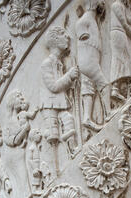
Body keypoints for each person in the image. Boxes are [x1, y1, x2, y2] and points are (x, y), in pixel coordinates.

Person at [39, 26, 79, 156]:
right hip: (50, 105)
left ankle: (72, 152)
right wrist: (69, 76)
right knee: (52, 136)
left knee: (68, 120)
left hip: (60, 103)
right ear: (55, 40)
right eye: (62, 34)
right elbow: (53, 86)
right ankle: (53, 171)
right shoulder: (47, 63)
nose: (67, 36)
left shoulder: (59, 63)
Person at [75, 0, 111, 131]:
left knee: (88, 87)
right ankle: (108, 114)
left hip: (88, 60)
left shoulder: (90, 20)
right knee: (103, 84)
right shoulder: (85, 21)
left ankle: (87, 119)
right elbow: (85, 40)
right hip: (89, 61)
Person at [2, 90, 38, 198]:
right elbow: (12, 141)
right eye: (18, 97)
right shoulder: (9, 121)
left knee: (23, 177)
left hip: (19, 153)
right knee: (21, 179)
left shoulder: (19, 117)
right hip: (13, 156)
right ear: (12, 101)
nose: (21, 99)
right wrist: (25, 129)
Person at [110, 0, 131, 101]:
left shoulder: (120, 6)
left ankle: (124, 87)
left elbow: (127, 19)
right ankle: (122, 87)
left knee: (124, 58)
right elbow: (124, 23)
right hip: (118, 33)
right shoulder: (116, 5)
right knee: (122, 59)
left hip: (120, 33)